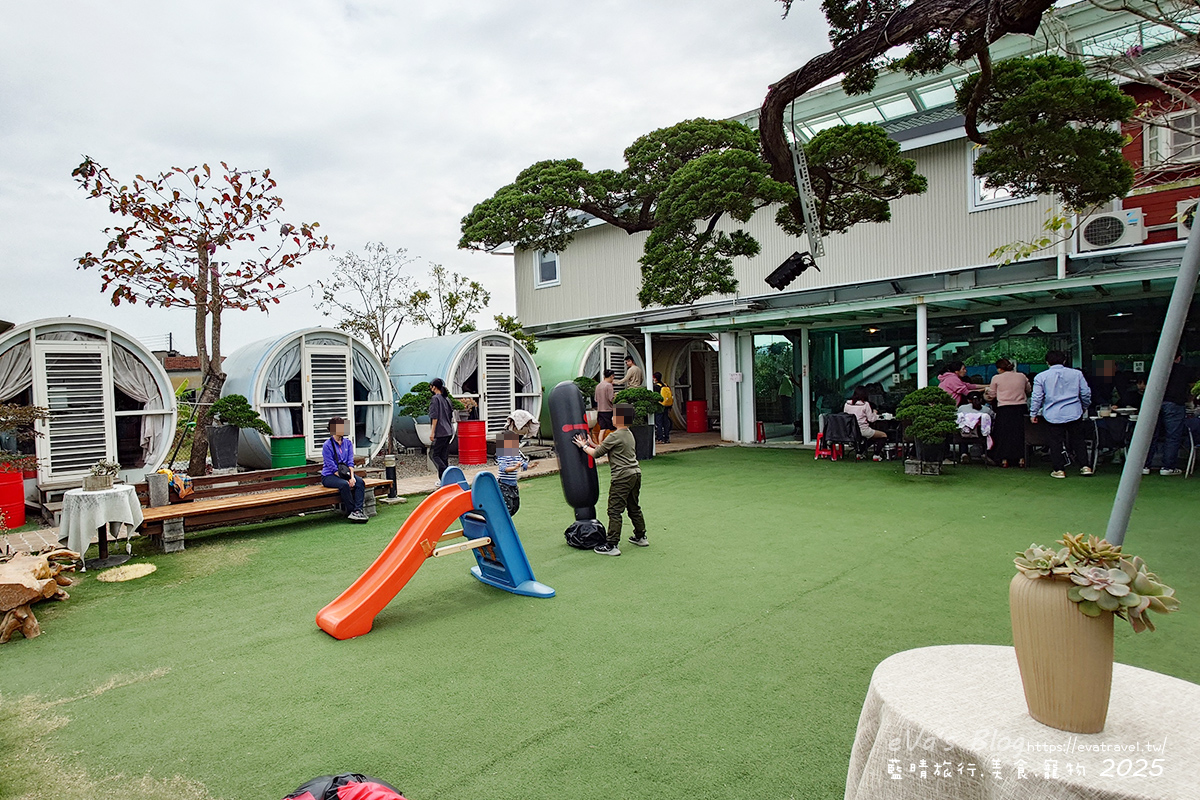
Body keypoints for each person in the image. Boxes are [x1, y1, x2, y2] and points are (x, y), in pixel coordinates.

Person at [574, 403, 647, 556]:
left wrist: (582, 446)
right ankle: (641, 536)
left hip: (622, 477)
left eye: (614, 415)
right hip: (635, 473)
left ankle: (612, 544)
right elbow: (603, 447)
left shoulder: (615, 435)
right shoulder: (628, 433)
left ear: (619, 419)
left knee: (614, 510)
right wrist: (590, 444)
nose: (612, 418)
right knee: (634, 507)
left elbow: (596, 454)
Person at [1030, 350, 1093, 479]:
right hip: (1074, 411)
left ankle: (1059, 470)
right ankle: (1085, 466)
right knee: (1078, 440)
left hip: (1053, 414)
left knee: (1055, 442)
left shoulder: (1041, 377)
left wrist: (1033, 413)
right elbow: (1086, 392)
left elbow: (1037, 397)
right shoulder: (1077, 374)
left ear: (1047, 362)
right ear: (1064, 361)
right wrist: (1084, 406)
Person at [1143, 352, 1194, 477]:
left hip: (1154, 404)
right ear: (1179, 358)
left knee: (1150, 435)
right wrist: (1189, 399)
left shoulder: (1156, 368)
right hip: (1174, 403)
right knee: (1172, 436)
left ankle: (1144, 465)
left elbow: (1144, 385)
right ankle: (1168, 467)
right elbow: (1193, 387)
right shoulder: (1184, 370)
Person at [985, 358, 1031, 468]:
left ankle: (1004, 459)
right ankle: (1021, 458)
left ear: (1000, 369)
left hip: (1004, 409)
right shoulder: (1022, 376)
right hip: (1020, 408)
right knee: (1020, 433)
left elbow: (992, 395)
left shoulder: (996, 378)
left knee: (1003, 434)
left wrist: (986, 391)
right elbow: (1028, 389)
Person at [321, 416, 367, 522]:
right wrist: (347, 479)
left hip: (345, 472)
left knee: (360, 482)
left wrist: (352, 477)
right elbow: (331, 466)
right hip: (329, 476)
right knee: (344, 484)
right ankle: (351, 511)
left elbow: (350, 462)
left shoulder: (348, 443)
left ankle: (358, 510)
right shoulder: (327, 445)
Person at [495, 430, 537, 515]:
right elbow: (504, 468)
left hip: (513, 484)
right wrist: (515, 467)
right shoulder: (502, 454)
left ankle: (505, 522)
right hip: (504, 485)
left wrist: (530, 466)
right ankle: (502, 523)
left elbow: (522, 462)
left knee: (515, 506)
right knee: (508, 508)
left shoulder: (515, 453)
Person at [843, 386, 888, 455]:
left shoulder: (847, 404)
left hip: (851, 431)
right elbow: (871, 419)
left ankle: (860, 452)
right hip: (863, 430)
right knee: (883, 435)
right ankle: (876, 455)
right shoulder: (865, 404)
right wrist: (875, 413)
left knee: (873, 437)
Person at [428, 377, 455, 486]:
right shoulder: (447, 399)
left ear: (434, 387)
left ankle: (446, 472)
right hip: (448, 431)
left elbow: (435, 417)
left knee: (434, 455)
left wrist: (432, 432)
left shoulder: (435, 399)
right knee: (443, 456)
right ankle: (444, 479)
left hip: (441, 431)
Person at [594, 369, 617, 442]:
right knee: (613, 429)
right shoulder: (609, 386)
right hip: (608, 410)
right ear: (611, 376)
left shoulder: (598, 385)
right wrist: (616, 396)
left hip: (600, 410)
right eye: (613, 376)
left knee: (602, 429)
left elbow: (596, 399)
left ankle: (600, 445)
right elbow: (611, 399)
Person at [652, 371, 673, 443]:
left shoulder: (656, 387)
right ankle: (667, 438)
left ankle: (660, 438)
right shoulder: (665, 385)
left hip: (659, 406)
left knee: (659, 423)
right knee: (665, 422)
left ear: (655, 378)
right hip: (666, 406)